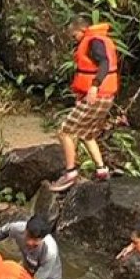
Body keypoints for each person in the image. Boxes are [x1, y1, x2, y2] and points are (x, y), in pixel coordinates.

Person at [50, 16, 118, 192]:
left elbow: (104, 62)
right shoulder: (98, 39)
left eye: (74, 36)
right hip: (105, 96)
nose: (74, 40)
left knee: (65, 131)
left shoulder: (94, 41)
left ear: (82, 30)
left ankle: (70, 172)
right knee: (87, 133)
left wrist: (94, 86)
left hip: (98, 95)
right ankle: (102, 170)